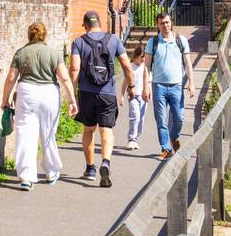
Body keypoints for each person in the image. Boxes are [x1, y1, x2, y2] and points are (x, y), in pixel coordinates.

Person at [2, 21, 77, 191]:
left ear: (29, 35)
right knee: (48, 133)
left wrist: (5, 99)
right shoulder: (53, 52)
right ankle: (51, 171)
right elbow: (64, 78)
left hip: (26, 92)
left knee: (26, 135)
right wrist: (73, 100)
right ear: (45, 35)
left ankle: (26, 178)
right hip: (49, 93)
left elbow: (10, 78)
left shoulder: (20, 53)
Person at [69, 11, 136, 187]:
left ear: (85, 25)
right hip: (108, 93)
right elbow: (127, 66)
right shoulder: (113, 40)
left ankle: (90, 169)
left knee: (89, 129)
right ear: (100, 23)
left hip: (87, 92)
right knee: (106, 130)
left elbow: (75, 68)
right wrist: (131, 87)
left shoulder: (78, 42)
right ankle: (105, 162)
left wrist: (72, 96)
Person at [140, 12, 194, 160]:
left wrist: (191, 83)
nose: (166, 25)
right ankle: (166, 148)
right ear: (158, 25)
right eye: (162, 23)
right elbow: (147, 66)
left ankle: (173, 138)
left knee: (179, 118)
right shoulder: (153, 42)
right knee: (161, 119)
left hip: (177, 86)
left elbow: (188, 63)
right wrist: (146, 86)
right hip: (159, 86)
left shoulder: (180, 40)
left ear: (171, 23)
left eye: (167, 22)